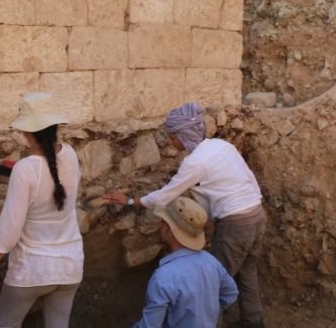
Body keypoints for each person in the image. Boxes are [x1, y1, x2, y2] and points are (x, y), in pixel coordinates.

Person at [106, 102, 268, 328]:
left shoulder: (195, 162)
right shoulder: (221, 145)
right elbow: (249, 179)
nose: (172, 142)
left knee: (212, 286)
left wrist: (132, 201)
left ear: (185, 133)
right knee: (247, 273)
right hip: (257, 216)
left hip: (236, 224)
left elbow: (166, 195)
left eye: (174, 136)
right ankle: (254, 321)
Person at [0, 92, 84, 328]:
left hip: (32, 270)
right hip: (70, 267)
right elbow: (54, 181)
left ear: (27, 133)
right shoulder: (70, 154)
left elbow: (11, 227)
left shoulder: (25, 169)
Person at [133, 197, 238, 328]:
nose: (160, 225)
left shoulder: (163, 277)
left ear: (169, 231)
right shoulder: (210, 261)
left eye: (164, 222)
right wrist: (207, 312)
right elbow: (231, 293)